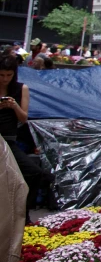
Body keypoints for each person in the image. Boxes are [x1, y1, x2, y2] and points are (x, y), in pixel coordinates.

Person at [0, 55, 53, 223]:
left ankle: (24, 213)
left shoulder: (21, 89)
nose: (5, 79)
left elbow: (23, 118)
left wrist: (14, 105)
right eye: (1, 75)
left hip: (9, 140)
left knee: (34, 173)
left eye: (8, 75)